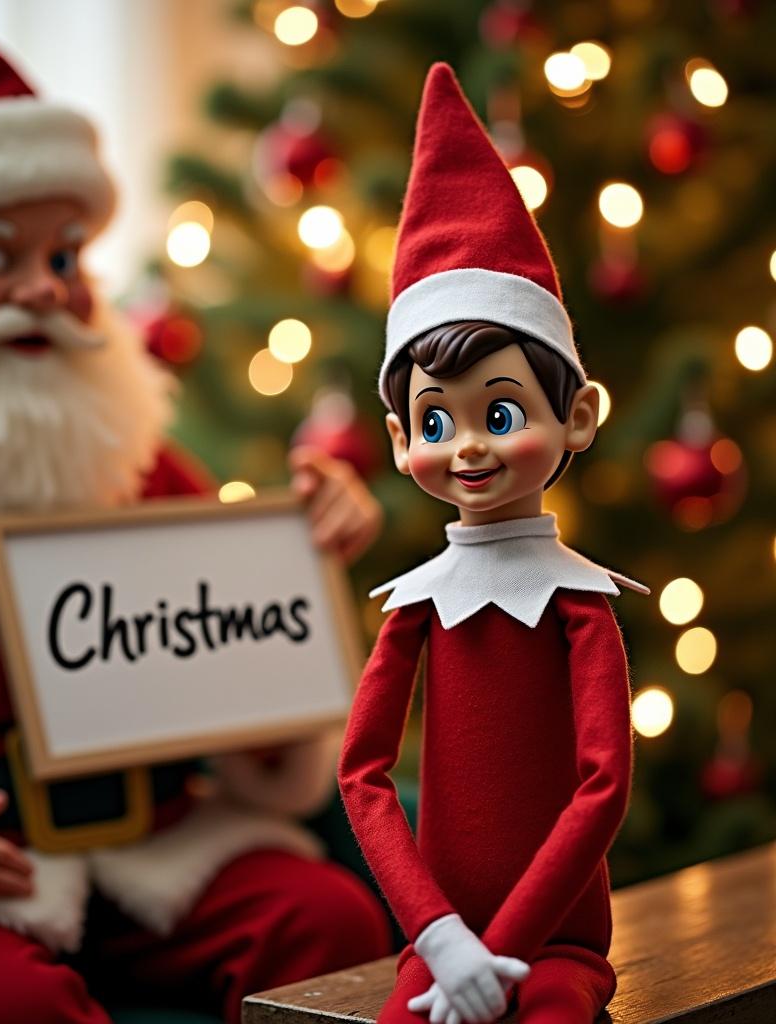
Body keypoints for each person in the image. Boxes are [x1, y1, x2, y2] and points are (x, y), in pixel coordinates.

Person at [0, 22, 391, 1024]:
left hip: (154, 843)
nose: (44, 290)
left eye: (64, 254)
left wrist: (304, 558)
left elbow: (235, 645)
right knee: (3, 1007)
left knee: (327, 926)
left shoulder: (122, 446)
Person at [337, 64, 648, 1024]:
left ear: (578, 416)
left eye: (501, 411)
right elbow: (363, 776)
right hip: (439, 945)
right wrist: (439, 940)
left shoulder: (579, 602)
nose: (467, 445)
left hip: (551, 944)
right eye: (435, 423)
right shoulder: (418, 605)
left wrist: (501, 951)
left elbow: (602, 788)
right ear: (399, 441)